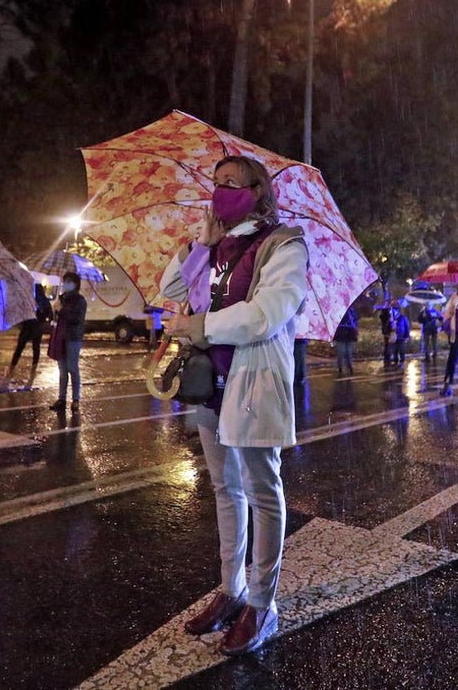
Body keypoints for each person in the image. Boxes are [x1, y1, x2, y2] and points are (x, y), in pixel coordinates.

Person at [159, 154, 308, 656]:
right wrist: (201, 245)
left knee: (263, 493)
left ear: (257, 192)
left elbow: (266, 314)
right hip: (211, 385)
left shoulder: (282, 245)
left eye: (232, 183)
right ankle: (231, 590)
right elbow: (171, 290)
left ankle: (262, 603)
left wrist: (197, 327)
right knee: (225, 489)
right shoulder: (213, 244)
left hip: (255, 381)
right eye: (216, 182)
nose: (221, 190)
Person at [1, 283, 53, 391]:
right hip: (32, 326)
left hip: (33, 326)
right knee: (27, 347)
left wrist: (39, 314)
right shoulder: (31, 298)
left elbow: (48, 313)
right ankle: (17, 368)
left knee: (28, 347)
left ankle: (22, 369)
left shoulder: (38, 300)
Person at [49, 270, 88, 409]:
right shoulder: (61, 298)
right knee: (62, 370)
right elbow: (55, 319)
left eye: (69, 282)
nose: (66, 284)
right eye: (65, 281)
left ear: (75, 284)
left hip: (73, 338)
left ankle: (76, 399)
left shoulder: (80, 301)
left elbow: (77, 319)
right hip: (60, 337)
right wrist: (53, 310)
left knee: (72, 368)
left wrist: (61, 310)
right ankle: (61, 399)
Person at [333, 305, 359, 376]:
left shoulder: (351, 310)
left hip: (349, 332)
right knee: (341, 351)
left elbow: (355, 320)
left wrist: (355, 327)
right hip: (341, 332)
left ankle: (349, 366)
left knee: (348, 351)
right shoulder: (338, 310)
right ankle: (341, 366)